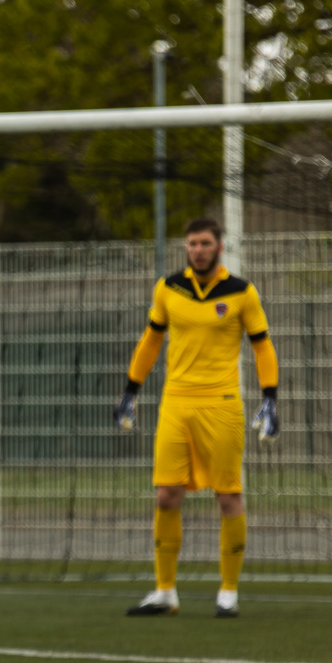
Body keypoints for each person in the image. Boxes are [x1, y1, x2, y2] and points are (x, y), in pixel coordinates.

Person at [114, 218, 279, 618]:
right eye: (191, 244)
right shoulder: (168, 288)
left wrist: (270, 398)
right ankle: (165, 592)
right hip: (175, 402)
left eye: (205, 243)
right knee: (166, 494)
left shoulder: (242, 292)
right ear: (186, 248)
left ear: (219, 247)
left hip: (222, 405)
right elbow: (151, 340)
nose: (198, 249)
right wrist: (130, 391)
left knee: (229, 497)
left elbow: (263, 347)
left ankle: (228, 592)